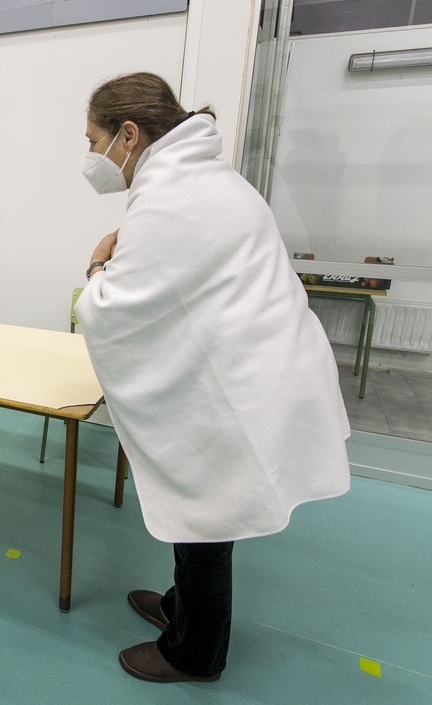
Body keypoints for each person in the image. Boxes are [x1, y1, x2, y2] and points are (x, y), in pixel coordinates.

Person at [74, 73, 351, 683]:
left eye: (95, 141)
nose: (93, 158)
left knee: (204, 516)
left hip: (242, 389)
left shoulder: (174, 197)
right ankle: (179, 608)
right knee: (204, 516)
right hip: (254, 372)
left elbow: (109, 308)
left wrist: (98, 263)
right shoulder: (202, 178)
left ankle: (194, 652)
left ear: (128, 133)